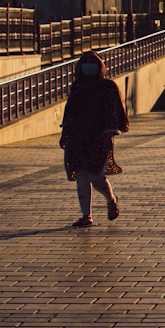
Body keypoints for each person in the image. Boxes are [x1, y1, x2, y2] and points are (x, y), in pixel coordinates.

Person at [60, 51, 129, 228]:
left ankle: (111, 199)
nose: (88, 67)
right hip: (77, 137)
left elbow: (111, 113)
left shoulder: (107, 87)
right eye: (85, 63)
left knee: (96, 175)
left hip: (98, 137)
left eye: (93, 63)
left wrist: (110, 134)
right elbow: (70, 112)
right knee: (81, 174)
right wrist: (65, 133)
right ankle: (86, 215)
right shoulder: (78, 87)